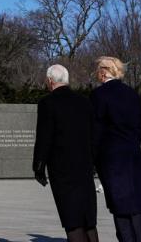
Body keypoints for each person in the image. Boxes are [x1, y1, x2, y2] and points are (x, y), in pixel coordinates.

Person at [33, 65, 99, 242]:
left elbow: (44, 137)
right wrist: (93, 162)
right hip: (84, 166)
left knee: (72, 218)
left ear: (50, 81)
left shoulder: (47, 103)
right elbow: (94, 135)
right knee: (88, 218)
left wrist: (39, 166)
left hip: (62, 168)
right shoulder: (84, 101)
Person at [91, 56, 141, 242]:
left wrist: (92, 159)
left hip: (111, 158)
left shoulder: (99, 95)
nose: (97, 74)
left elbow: (95, 131)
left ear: (104, 71)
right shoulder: (132, 94)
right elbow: (139, 127)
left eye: (98, 70)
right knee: (136, 205)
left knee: (119, 206)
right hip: (133, 155)